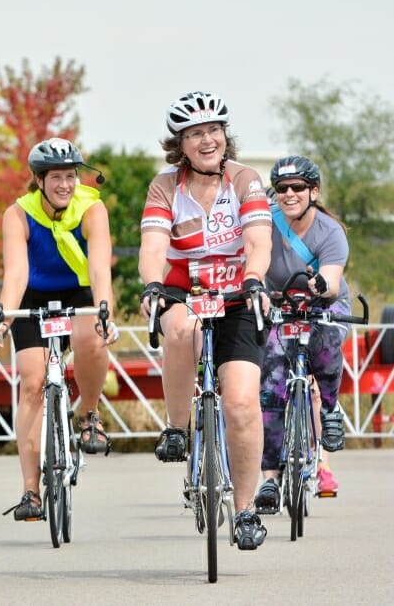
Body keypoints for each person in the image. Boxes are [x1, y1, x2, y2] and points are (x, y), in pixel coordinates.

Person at [138, 90, 273, 550]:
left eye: (214, 130)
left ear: (225, 135)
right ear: (181, 143)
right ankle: (177, 428)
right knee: (180, 327)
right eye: (196, 133)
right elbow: (154, 248)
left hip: (238, 293)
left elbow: (258, 241)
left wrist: (254, 277)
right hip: (185, 289)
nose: (208, 139)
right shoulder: (164, 187)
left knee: (240, 405)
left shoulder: (246, 179)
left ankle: (246, 510)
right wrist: (152, 284)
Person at [0, 138, 118, 521]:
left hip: (78, 290)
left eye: (71, 176)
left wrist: (104, 310)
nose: (65, 184)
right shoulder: (19, 213)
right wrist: (6, 317)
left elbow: (99, 269)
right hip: (33, 296)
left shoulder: (91, 207)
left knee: (89, 337)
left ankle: (89, 415)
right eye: (57, 177)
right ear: (40, 180)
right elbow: (16, 272)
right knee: (32, 382)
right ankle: (30, 491)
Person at [254, 156, 350, 512]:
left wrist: (319, 283)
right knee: (271, 381)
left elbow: (332, 282)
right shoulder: (266, 223)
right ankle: (269, 479)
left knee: (324, 343)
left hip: (324, 304)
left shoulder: (330, 231)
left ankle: (329, 411)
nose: (289, 194)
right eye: (281, 189)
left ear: (314, 191)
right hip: (279, 305)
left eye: (297, 188)